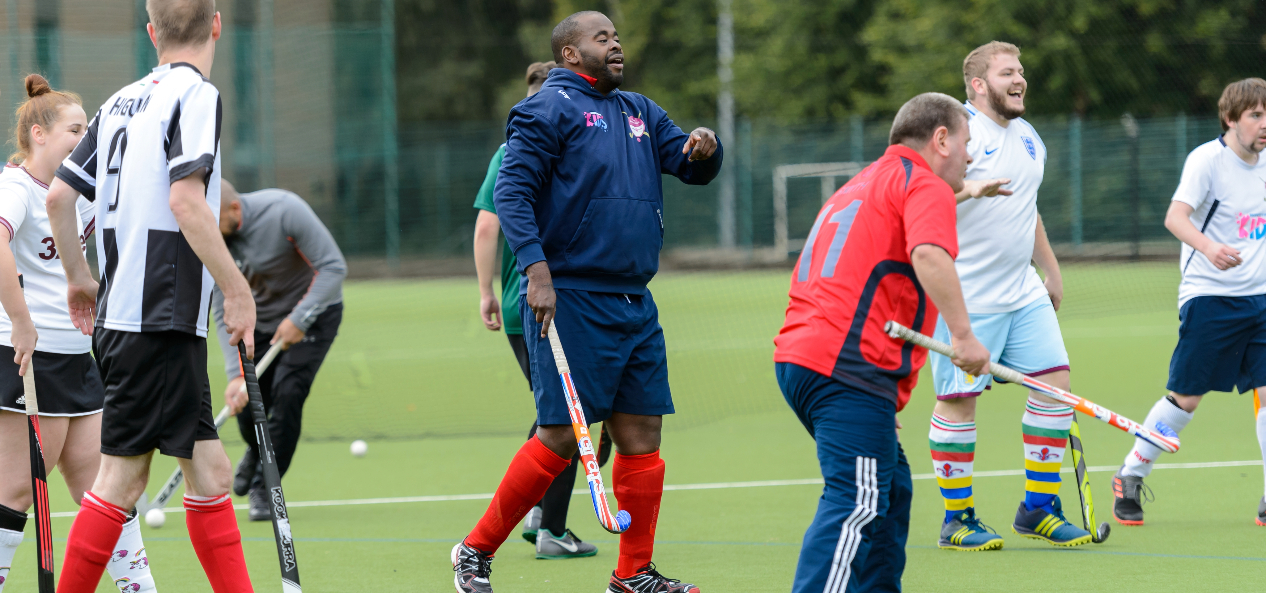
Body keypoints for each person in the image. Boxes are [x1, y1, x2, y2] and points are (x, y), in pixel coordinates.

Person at [451, 11, 722, 593]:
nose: (616, 44)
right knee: (558, 435)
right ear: (571, 54)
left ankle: (633, 574)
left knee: (642, 434)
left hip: (634, 300)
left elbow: (688, 166)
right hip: (571, 296)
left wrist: (705, 149)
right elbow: (512, 192)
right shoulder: (546, 109)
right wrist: (537, 272)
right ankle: (474, 552)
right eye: (602, 38)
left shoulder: (640, 111)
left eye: (617, 35)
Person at [45, 1, 257, 591]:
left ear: (151, 32)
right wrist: (237, 291)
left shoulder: (118, 101)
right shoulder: (195, 94)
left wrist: (78, 278)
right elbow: (186, 202)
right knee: (121, 480)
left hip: (134, 317)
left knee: (209, 472)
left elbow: (60, 198)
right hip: (159, 315)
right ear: (216, 24)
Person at [774, 92, 990, 592]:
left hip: (807, 358)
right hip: (846, 367)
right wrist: (964, 337)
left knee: (889, 488)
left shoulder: (864, 182)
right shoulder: (926, 183)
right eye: (966, 142)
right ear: (941, 140)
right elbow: (930, 255)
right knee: (858, 501)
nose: (970, 155)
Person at [924, 41, 1091, 550]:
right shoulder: (955, 137)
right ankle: (958, 520)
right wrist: (968, 191)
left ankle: (1038, 509)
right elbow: (919, 199)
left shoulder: (1028, 136)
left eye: (1021, 70)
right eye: (1006, 73)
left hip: (1024, 294)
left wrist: (1051, 268)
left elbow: (1027, 206)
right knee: (958, 402)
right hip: (966, 295)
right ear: (978, 85)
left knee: (1055, 388)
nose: (1019, 80)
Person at [0, 75, 158, 593]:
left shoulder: (77, 195)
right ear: (39, 134)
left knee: (105, 489)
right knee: (16, 491)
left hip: (76, 359)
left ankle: (140, 588)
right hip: (26, 359)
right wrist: (22, 320)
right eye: (75, 128)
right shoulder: (15, 187)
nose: (84, 136)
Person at [1111, 78, 1266, 527]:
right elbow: (1175, 217)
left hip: (1261, 302)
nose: (1263, 124)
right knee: (1186, 399)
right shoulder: (1207, 161)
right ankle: (1131, 474)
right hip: (1210, 298)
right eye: (1255, 115)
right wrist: (1211, 248)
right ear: (1231, 119)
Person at [472, 60, 606, 560]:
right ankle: (546, 526)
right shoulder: (526, 147)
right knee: (565, 417)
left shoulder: (519, 143)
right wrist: (490, 290)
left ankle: (542, 517)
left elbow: (488, 227)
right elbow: (490, 225)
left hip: (524, 303)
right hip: (542, 300)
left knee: (562, 414)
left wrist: (486, 291)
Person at [213, 179, 346, 521]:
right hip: (256, 324)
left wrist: (300, 318)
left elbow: (334, 267)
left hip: (314, 315)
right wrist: (233, 375)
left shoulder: (285, 210)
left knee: (288, 395)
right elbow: (220, 306)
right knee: (248, 406)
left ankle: (264, 487)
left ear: (235, 209)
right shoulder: (213, 240)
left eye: (218, 226)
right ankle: (258, 452)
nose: (214, 235)